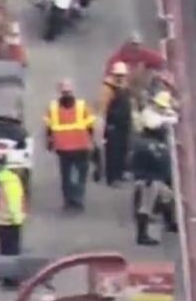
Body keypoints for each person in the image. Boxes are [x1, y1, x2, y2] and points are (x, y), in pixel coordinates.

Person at [42, 78, 96, 210]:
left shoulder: (53, 107)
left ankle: (69, 200)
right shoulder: (82, 105)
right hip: (81, 146)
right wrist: (91, 141)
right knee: (81, 175)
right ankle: (78, 198)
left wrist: (49, 142)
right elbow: (91, 125)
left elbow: (48, 127)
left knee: (66, 175)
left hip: (63, 147)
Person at [131, 124, 177, 246]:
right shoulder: (153, 146)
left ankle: (170, 223)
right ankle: (142, 236)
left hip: (150, 179)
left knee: (168, 197)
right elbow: (160, 162)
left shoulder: (140, 143)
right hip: (150, 180)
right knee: (146, 207)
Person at [99, 61, 135, 185]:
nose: (120, 78)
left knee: (123, 149)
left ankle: (120, 173)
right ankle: (112, 177)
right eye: (118, 75)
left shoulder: (124, 86)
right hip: (113, 125)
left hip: (124, 124)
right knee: (113, 152)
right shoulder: (108, 88)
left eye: (122, 75)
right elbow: (103, 107)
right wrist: (104, 124)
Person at [0, 157, 23, 259]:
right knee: (12, 251)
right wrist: (18, 219)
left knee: (4, 250)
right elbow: (14, 202)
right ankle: (11, 273)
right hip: (11, 221)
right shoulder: (11, 181)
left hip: (1, 220)